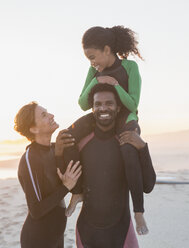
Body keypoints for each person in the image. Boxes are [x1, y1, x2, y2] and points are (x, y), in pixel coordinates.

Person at [64, 25, 155, 235]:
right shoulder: (93, 71)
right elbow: (83, 103)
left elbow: (133, 104)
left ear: (107, 49)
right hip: (100, 114)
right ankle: (77, 193)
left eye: (93, 56)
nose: (91, 62)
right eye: (88, 58)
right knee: (67, 136)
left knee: (127, 148)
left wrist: (114, 85)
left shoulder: (130, 67)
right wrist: (96, 79)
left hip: (125, 116)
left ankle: (139, 212)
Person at [75, 83, 154, 247]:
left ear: (118, 108)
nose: (103, 108)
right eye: (98, 104)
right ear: (92, 109)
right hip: (87, 233)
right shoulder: (82, 144)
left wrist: (143, 148)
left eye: (109, 103)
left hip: (121, 232)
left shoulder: (127, 143)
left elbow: (148, 185)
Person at [14, 102, 82, 248]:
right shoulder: (30, 158)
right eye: (44, 115)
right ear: (33, 128)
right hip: (38, 240)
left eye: (48, 112)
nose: (51, 116)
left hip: (56, 237)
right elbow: (36, 210)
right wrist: (66, 187)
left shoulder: (54, 149)